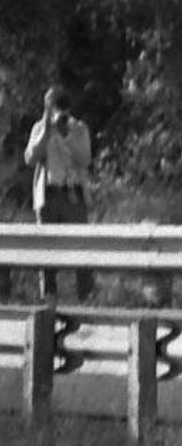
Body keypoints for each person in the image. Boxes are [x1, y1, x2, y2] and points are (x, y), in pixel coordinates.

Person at [24, 85, 94, 301]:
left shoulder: (79, 128)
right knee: (46, 255)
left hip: (74, 196)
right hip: (48, 195)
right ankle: (49, 303)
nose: (59, 109)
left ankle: (86, 302)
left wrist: (66, 134)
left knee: (82, 252)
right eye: (55, 104)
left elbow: (85, 159)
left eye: (62, 103)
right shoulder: (39, 128)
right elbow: (30, 159)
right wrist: (47, 129)